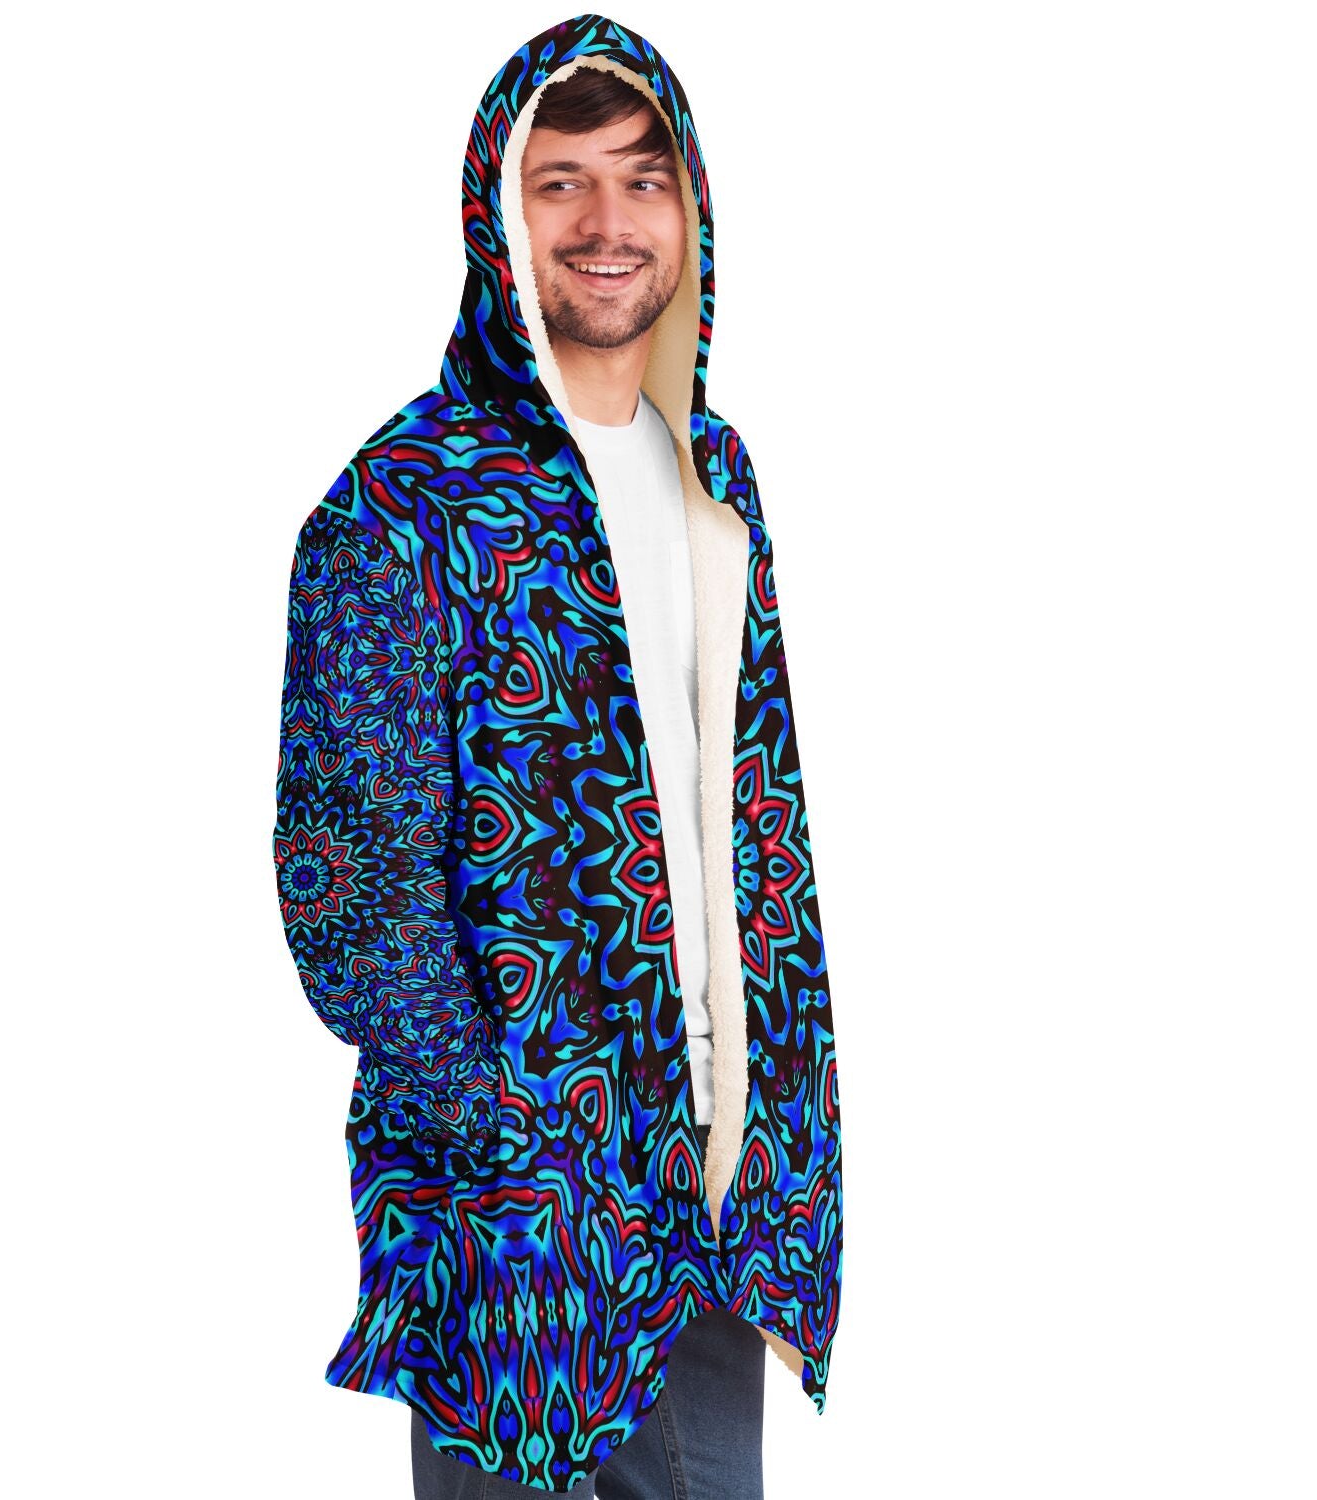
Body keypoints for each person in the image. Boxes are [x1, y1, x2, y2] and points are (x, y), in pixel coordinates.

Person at [274, 16, 842, 1497]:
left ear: (691, 211)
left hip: (718, 1187)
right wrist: (502, 1139)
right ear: (495, 215)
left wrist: (779, 1125)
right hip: (517, 1219)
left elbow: (752, 827)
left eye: (644, 180)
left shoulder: (716, 476)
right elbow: (346, 883)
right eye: (561, 182)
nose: (607, 222)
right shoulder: (403, 504)